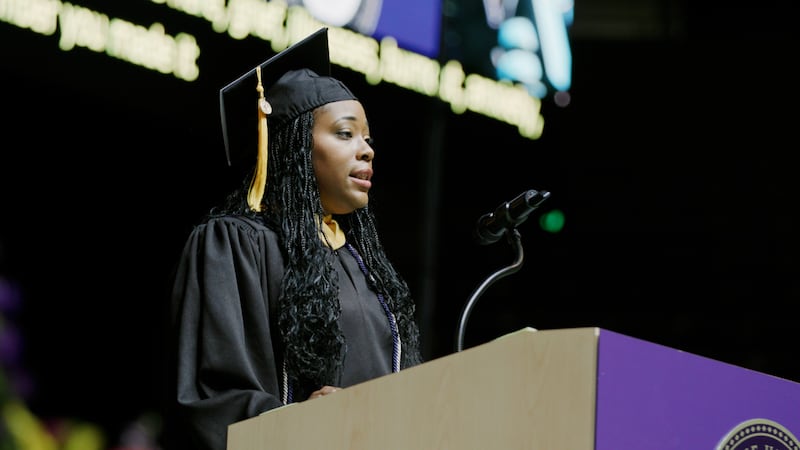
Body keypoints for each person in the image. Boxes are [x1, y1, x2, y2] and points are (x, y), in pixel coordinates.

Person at [164, 27, 423, 450]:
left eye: (368, 138)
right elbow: (210, 394)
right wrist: (299, 420)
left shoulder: (365, 265)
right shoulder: (235, 243)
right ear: (295, 146)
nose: (366, 149)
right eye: (345, 133)